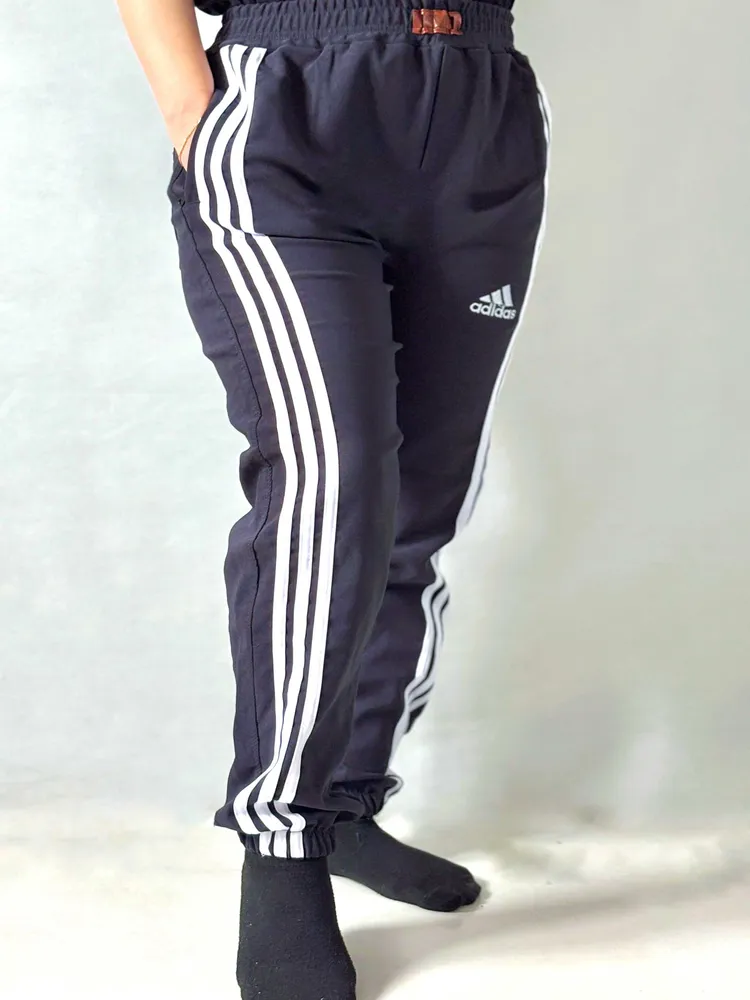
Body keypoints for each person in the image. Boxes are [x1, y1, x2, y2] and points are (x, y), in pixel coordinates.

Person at [117, 0, 549, 996]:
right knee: (331, 485)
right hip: (287, 103)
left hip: (481, 98)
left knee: (424, 499)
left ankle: (346, 801)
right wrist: (192, 115)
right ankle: (283, 841)